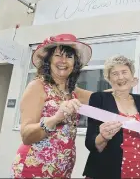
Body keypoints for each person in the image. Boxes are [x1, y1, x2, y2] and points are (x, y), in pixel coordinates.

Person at [11, 34, 92, 178]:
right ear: (49, 60)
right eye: (58, 55)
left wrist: (122, 85)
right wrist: (55, 118)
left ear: (75, 64)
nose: (63, 61)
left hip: (62, 170)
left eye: (69, 57)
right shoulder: (37, 86)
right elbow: (26, 135)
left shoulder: (73, 92)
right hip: (34, 167)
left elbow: (100, 98)